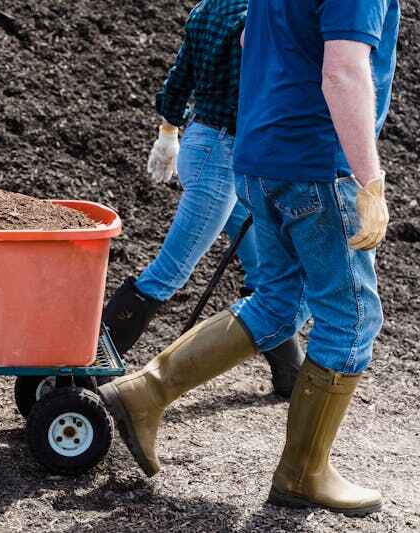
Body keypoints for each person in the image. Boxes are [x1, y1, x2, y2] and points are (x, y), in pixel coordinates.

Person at [99, 0, 400, 517]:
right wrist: (369, 181)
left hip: (260, 156)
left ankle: (145, 392)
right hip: (318, 166)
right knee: (350, 319)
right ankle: (303, 475)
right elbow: (343, 70)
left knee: (278, 300)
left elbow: (248, 42)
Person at [101, 0, 303, 398]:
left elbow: (179, 78)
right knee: (170, 271)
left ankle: (290, 374)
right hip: (224, 157)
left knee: (264, 271)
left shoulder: (208, 7)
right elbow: (257, 94)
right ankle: (87, 366)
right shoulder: (259, 17)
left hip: (203, 143)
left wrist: (168, 133)